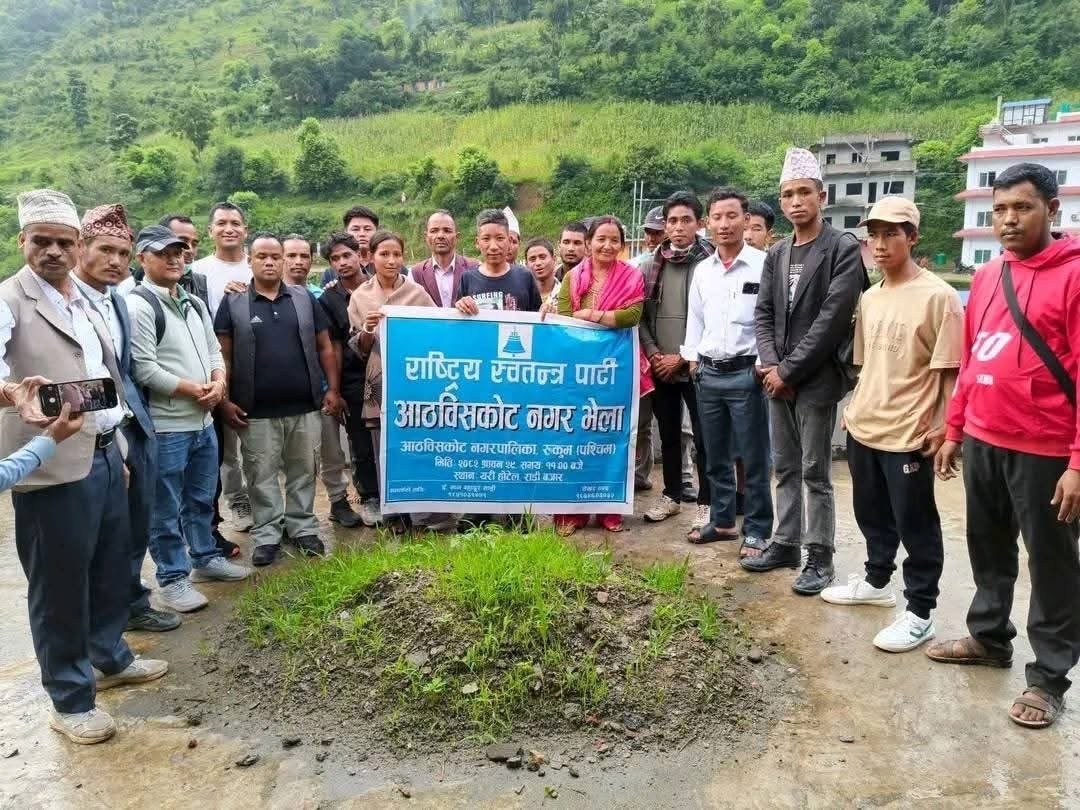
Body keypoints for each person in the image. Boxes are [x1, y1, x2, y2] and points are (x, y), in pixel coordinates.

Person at [1, 189, 167, 745]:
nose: (53, 251)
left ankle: (110, 655)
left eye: (63, 242)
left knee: (111, 564)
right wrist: (13, 393)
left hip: (104, 451)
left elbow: (105, 375)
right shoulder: (9, 300)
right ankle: (70, 698)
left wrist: (117, 451)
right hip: (50, 463)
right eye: (41, 241)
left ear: (76, 246)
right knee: (59, 586)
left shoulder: (86, 299)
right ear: (22, 241)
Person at [928, 163, 1080, 729]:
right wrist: (955, 429)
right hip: (985, 437)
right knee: (988, 546)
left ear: (1052, 210)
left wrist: (1077, 462)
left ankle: (1049, 677)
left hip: (1046, 447)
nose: (1008, 220)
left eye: (1022, 207)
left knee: (1052, 561)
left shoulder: (1074, 276)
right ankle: (990, 638)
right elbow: (973, 358)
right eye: (999, 210)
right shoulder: (990, 275)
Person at [820, 197, 962, 653]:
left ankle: (920, 612)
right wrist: (855, 407)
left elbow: (950, 373)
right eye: (873, 235)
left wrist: (946, 428)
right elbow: (867, 365)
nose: (879, 245)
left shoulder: (940, 297)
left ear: (912, 237)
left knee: (917, 524)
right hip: (865, 425)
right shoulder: (871, 296)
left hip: (909, 433)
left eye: (891, 234)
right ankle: (876, 581)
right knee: (871, 513)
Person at [744, 147, 867, 595]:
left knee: (816, 471)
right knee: (784, 466)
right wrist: (772, 366)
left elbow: (832, 320)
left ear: (822, 196)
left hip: (815, 380)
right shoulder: (777, 252)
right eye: (788, 194)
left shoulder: (842, 248)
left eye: (804, 193)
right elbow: (763, 313)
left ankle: (820, 555)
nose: (796, 201)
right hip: (777, 378)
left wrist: (788, 372)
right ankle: (785, 542)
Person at [128, 224, 251, 614]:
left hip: (203, 422)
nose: (173, 259)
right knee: (164, 508)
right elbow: (144, 368)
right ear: (142, 258)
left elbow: (214, 351)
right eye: (163, 253)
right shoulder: (138, 305)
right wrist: (194, 390)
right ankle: (172, 578)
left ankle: (205, 557)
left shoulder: (193, 301)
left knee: (201, 498)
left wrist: (218, 382)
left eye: (178, 253)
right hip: (168, 426)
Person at [74, 204, 180, 633]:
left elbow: (124, 370)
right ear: (81, 247)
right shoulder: (67, 303)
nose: (115, 260)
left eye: (122, 252)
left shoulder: (117, 300)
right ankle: (100, 628)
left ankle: (132, 603)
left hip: (132, 425)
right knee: (96, 536)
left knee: (136, 522)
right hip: (89, 436)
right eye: (105, 250)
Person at [216, 233, 343, 566]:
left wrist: (331, 389)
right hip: (255, 410)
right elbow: (223, 357)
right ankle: (267, 533)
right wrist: (224, 399)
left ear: (283, 260)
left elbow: (325, 347)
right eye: (262, 257)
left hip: (305, 406)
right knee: (261, 475)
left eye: (275, 256)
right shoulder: (233, 303)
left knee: (304, 471)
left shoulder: (303, 298)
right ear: (250, 261)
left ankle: (302, 527)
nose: (270, 262)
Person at [683, 188, 772, 552]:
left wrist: (764, 364)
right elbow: (695, 318)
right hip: (708, 374)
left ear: (746, 220)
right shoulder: (703, 270)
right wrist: (693, 361)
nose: (724, 224)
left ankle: (757, 529)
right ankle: (722, 522)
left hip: (747, 374)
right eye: (717, 217)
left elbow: (772, 319)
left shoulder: (764, 265)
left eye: (732, 216)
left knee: (754, 458)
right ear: (708, 223)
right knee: (715, 455)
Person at [551, 216, 652, 536]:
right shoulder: (572, 278)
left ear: (622, 245)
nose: (607, 245)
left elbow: (632, 315)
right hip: (579, 368)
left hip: (615, 368)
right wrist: (592, 320)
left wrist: (591, 315)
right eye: (601, 239)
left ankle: (609, 509)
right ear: (589, 243)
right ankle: (571, 513)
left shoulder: (632, 276)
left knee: (614, 437)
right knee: (574, 438)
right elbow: (565, 319)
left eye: (614, 240)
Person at [347, 230, 436, 533]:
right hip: (379, 381)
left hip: (414, 380)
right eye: (384, 254)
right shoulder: (360, 296)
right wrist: (368, 330)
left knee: (414, 444)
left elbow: (435, 333)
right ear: (370, 257)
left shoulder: (417, 293)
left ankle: (420, 513)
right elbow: (358, 348)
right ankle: (393, 514)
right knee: (383, 448)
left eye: (396, 254)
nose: (391, 260)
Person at [639, 191, 714, 524]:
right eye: (672, 221)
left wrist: (683, 358)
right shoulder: (650, 265)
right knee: (668, 434)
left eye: (686, 220)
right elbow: (641, 317)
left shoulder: (711, 264)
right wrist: (654, 353)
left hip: (698, 366)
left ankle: (707, 501)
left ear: (700, 223)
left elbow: (715, 318)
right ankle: (671, 494)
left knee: (704, 435)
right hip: (661, 366)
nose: (678, 227)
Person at [191, 202, 253, 537]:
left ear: (246, 230)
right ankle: (237, 502)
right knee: (227, 448)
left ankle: (264, 503)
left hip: (257, 367)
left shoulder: (258, 264)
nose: (229, 229)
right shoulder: (197, 271)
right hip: (215, 367)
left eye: (235, 223)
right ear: (210, 230)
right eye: (221, 223)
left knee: (259, 445)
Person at [319, 232, 381, 527]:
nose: (342, 262)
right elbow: (332, 346)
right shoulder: (329, 298)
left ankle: (399, 495)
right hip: (355, 378)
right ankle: (370, 497)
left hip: (391, 374)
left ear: (360, 255)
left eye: (347, 255)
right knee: (361, 440)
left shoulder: (381, 283)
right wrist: (335, 388)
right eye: (335, 259)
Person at [455, 209, 543, 314]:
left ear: (509, 241)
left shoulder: (525, 276)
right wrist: (461, 305)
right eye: (486, 239)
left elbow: (537, 316)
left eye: (500, 238)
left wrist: (547, 311)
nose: (493, 247)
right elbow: (459, 318)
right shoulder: (467, 279)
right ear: (477, 242)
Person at [408, 210, 478, 307]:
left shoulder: (475, 268)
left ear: (457, 237)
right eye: (434, 231)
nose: (440, 236)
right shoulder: (415, 274)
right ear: (426, 237)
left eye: (447, 230)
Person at [160, 214, 210, 308]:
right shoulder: (140, 283)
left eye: (194, 244)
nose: (190, 250)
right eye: (182, 242)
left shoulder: (199, 283)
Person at [323, 205, 379, 286]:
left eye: (367, 229)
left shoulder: (389, 265)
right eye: (355, 229)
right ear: (346, 232)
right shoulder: (330, 274)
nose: (362, 234)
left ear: (377, 231)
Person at [526, 237, 560, 306]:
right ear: (526, 265)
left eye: (542, 257)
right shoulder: (520, 294)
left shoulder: (566, 293)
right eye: (532, 259)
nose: (538, 263)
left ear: (554, 259)